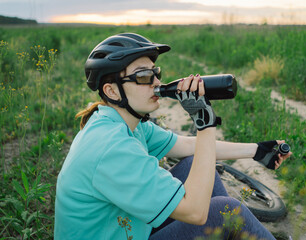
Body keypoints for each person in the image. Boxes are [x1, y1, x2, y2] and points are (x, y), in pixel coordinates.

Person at [54, 33, 292, 240]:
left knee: (191, 165)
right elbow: (196, 213)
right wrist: (205, 123)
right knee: (226, 211)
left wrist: (257, 150)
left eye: (155, 73)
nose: (157, 82)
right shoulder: (110, 147)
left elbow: (187, 145)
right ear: (112, 90)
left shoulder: (127, 123)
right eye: (144, 76)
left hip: (134, 229)